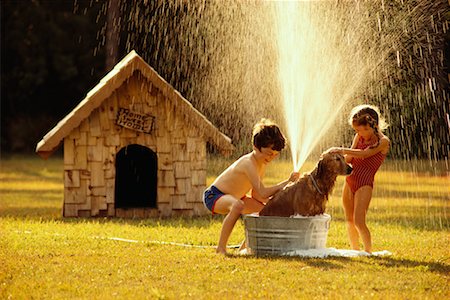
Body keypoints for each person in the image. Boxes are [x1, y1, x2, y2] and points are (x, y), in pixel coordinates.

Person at [203, 118, 299, 254]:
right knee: (237, 206)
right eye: (269, 154)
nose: (271, 158)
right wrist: (286, 182)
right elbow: (263, 192)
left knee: (266, 213)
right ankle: (221, 248)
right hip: (214, 195)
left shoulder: (261, 165)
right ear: (255, 147)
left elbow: (257, 195)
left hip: (238, 197)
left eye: (275, 155)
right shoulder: (249, 163)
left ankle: (246, 248)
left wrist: (275, 203)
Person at [330, 104, 390, 254]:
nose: (361, 133)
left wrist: (341, 149)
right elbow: (350, 157)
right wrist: (334, 159)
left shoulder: (383, 141)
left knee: (359, 221)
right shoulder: (359, 137)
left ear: (374, 125)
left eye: (365, 129)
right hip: (350, 181)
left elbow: (363, 154)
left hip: (364, 184)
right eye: (357, 130)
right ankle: (355, 251)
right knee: (349, 220)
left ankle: (368, 252)